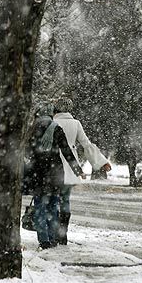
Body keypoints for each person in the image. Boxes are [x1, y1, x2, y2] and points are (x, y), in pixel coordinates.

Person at [24, 103, 85, 249]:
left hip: (38, 174)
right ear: (51, 115)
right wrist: (77, 170)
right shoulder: (56, 128)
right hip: (55, 174)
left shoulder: (33, 129)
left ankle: (43, 239)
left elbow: (27, 152)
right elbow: (66, 151)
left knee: (40, 207)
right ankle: (53, 238)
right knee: (53, 207)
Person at [53, 96, 112, 245]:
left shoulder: (53, 122)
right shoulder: (76, 124)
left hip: (53, 165)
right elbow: (87, 144)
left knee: (52, 200)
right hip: (71, 165)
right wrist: (101, 161)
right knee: (65, 201)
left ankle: (52, 232)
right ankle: (63, 234)